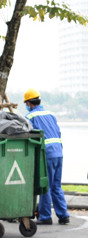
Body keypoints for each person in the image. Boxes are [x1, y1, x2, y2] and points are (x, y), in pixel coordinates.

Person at [24, 89, 70, 225]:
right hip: (59, 152)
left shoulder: (30, 117)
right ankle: (63, 215)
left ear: (28, 103)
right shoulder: (51, 114)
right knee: (56, 186)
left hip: (48, 154)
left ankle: (45, 217)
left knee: (46, 186)